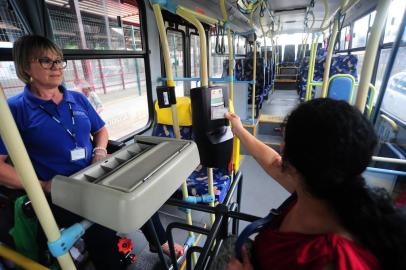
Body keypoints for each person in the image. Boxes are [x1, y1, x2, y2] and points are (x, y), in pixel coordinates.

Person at [0, 35, 183, 269]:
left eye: (59, 61)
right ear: (26, 67)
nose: (56, 67)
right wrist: (43, 185)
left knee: (138, 190)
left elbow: (101, 129)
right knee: (102, 230)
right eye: (46, 61)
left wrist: (99, 150)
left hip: (95, 173)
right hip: (59, 189)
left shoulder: (75, 98)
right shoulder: (14, 110)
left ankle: (158, 242)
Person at [225, 98, 406, 270]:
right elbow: (274, 163)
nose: (281, 148)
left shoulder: (332, 259)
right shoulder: (322, 189)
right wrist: (239, 130)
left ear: (292, 159)